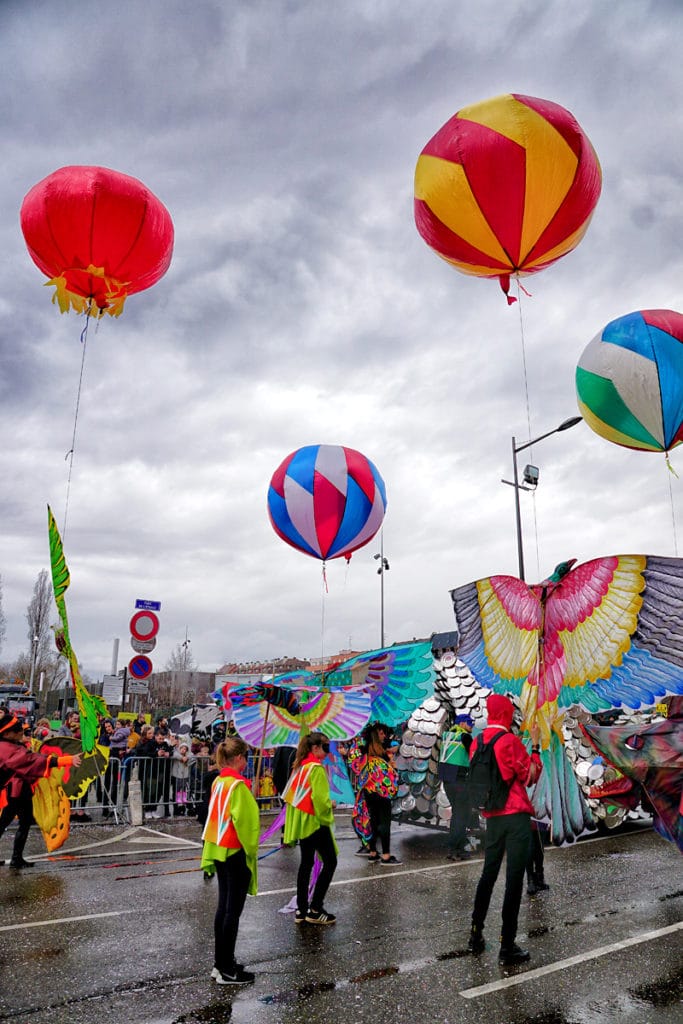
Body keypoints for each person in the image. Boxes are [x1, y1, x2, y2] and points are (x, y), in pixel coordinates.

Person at [467, 694, 542, 965]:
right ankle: (507, 945)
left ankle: (475, 933)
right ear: (508, 714)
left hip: (492, 817)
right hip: (515, 817)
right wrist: (535, 746)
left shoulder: (477, 742)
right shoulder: (509, 742)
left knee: (488, 875)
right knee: (513, 880)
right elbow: (530, 776)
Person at [200, 736, 258, 985]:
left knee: (223, 908)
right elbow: (248, 825)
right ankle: (226, 970)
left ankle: (221, 962)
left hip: (219, 848)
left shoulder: (220, 782)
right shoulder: (238, 787)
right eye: (246, 757)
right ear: (239, 759)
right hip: (235, 851)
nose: (247, 762)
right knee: (232, 912)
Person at [0, 710, 82, 868]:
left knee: (22, 823)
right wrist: (65, 760)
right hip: (13, 791)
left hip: (20, 790)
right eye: (20, 731)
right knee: (5, 823)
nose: (23, 733)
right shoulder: (6, 748)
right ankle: (17, 859)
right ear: (9, 733)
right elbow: (30, 760)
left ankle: (17, 858)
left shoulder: (11, 745)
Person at [283, 731, 338, 924]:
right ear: (315, 748)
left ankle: (301, 909)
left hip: (303, 823)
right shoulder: (316, 768)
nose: (327, 751)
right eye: (325, 747)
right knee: (330, 861)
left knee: (306, 864)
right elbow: (321, 801)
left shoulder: (300, 766)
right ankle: (315, 909)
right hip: (316, 822)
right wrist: (330, 805)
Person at [349, 723, 400, 864]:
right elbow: (390, 776)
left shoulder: (363, 754)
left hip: (368, 793)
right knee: (384, 823)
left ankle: (372, 853)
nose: (384, 735)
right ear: (376, 736)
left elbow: (357, 769)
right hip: (382, 793)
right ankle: (386, 855)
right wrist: (393, 767)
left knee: (373, 821)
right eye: (382, 733)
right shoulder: (382, 755)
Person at [438, 714, 474, 860]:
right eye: (470, 723)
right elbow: (474, 755)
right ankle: (454, 848)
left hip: (447, 781)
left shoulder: (447, 735)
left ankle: (459, 848)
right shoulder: (465, 737)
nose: (472, 726)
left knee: (458, 814)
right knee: (462, 815)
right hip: (460, 780)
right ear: (463, 723)